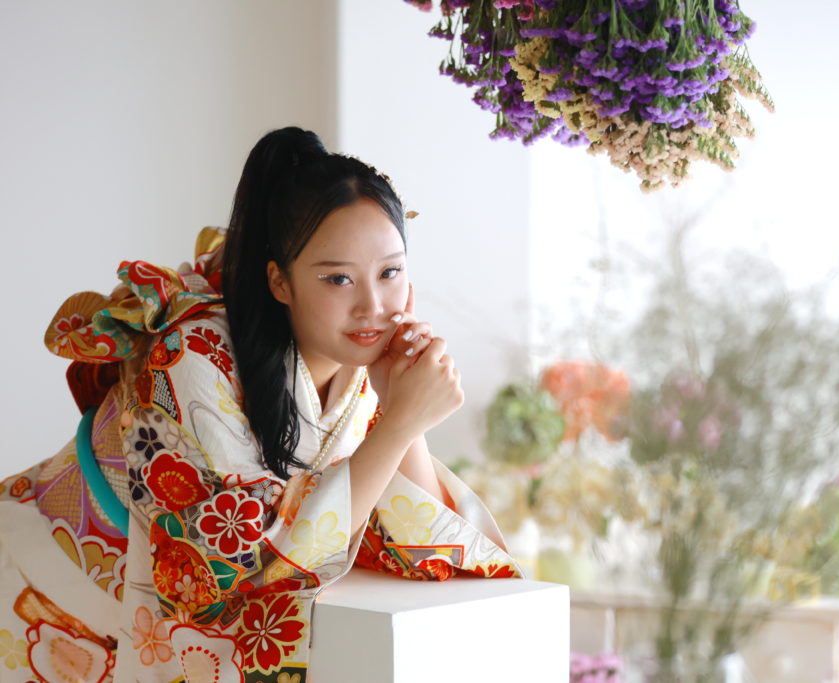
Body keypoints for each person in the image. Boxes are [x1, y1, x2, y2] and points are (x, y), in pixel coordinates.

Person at [0, 127, 521, 682]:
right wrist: (397, 425)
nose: (373, 305)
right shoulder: (194, 354)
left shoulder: (359, 366)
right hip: (38, 581)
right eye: (338, 278)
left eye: (390, 272)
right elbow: (238, 571)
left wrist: (401, 408)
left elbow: (423, 550)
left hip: (118, 617)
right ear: (279, 281)